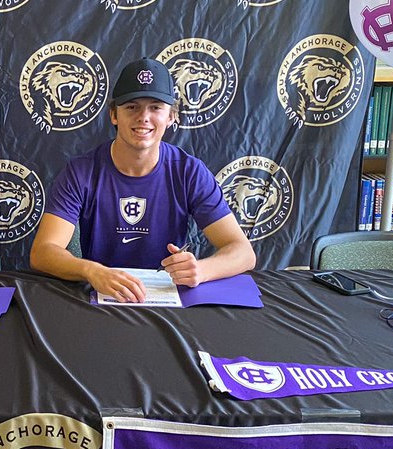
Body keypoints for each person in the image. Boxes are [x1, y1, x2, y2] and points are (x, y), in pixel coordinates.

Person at [29, 57, 255, 302]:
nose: (143, 117)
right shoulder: (81, 171)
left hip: (168, 300)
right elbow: (42, 252)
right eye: (132, 107)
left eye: (156, 107)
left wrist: (200, 270)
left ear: (171, 116)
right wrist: (91, 270)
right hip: (103, 297)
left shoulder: (189, 171)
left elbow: (243, 252)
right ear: (114, 115)